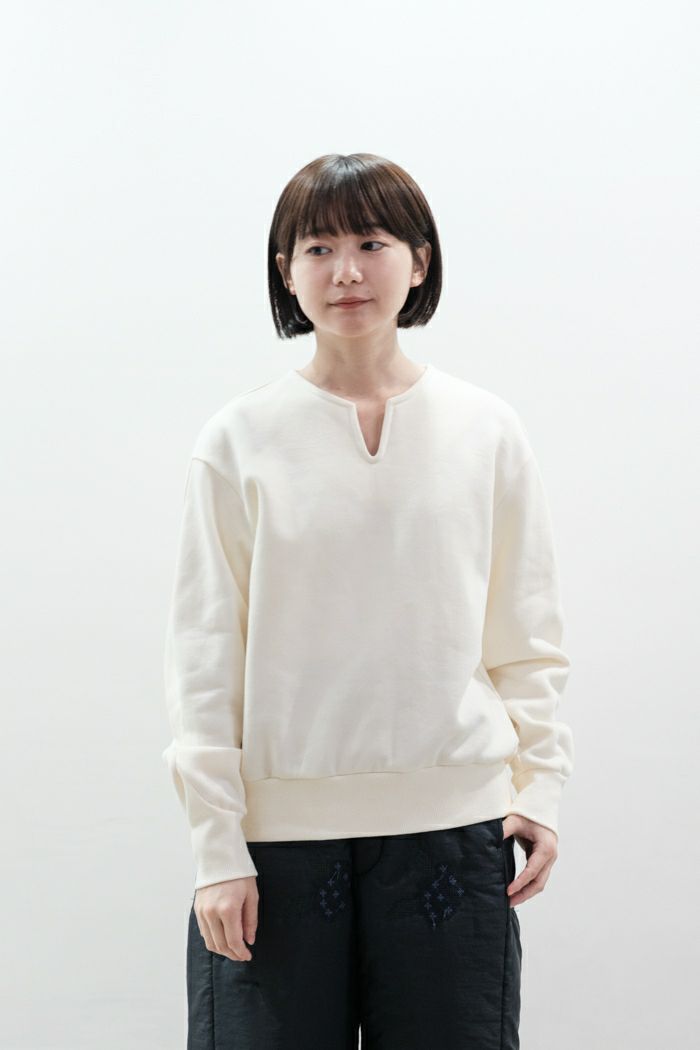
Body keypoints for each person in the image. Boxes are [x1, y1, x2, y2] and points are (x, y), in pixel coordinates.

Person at [162, 152, 574, 1049]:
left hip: (452, 832)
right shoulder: (238, 440)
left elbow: (527, 636)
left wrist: (540, 785)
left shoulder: (486, 430)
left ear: (419, 261)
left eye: (372, 243)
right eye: (318, 248)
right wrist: (216, 848)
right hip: (274, 847)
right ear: (287, 272)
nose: (345, 271)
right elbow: (205, 657)